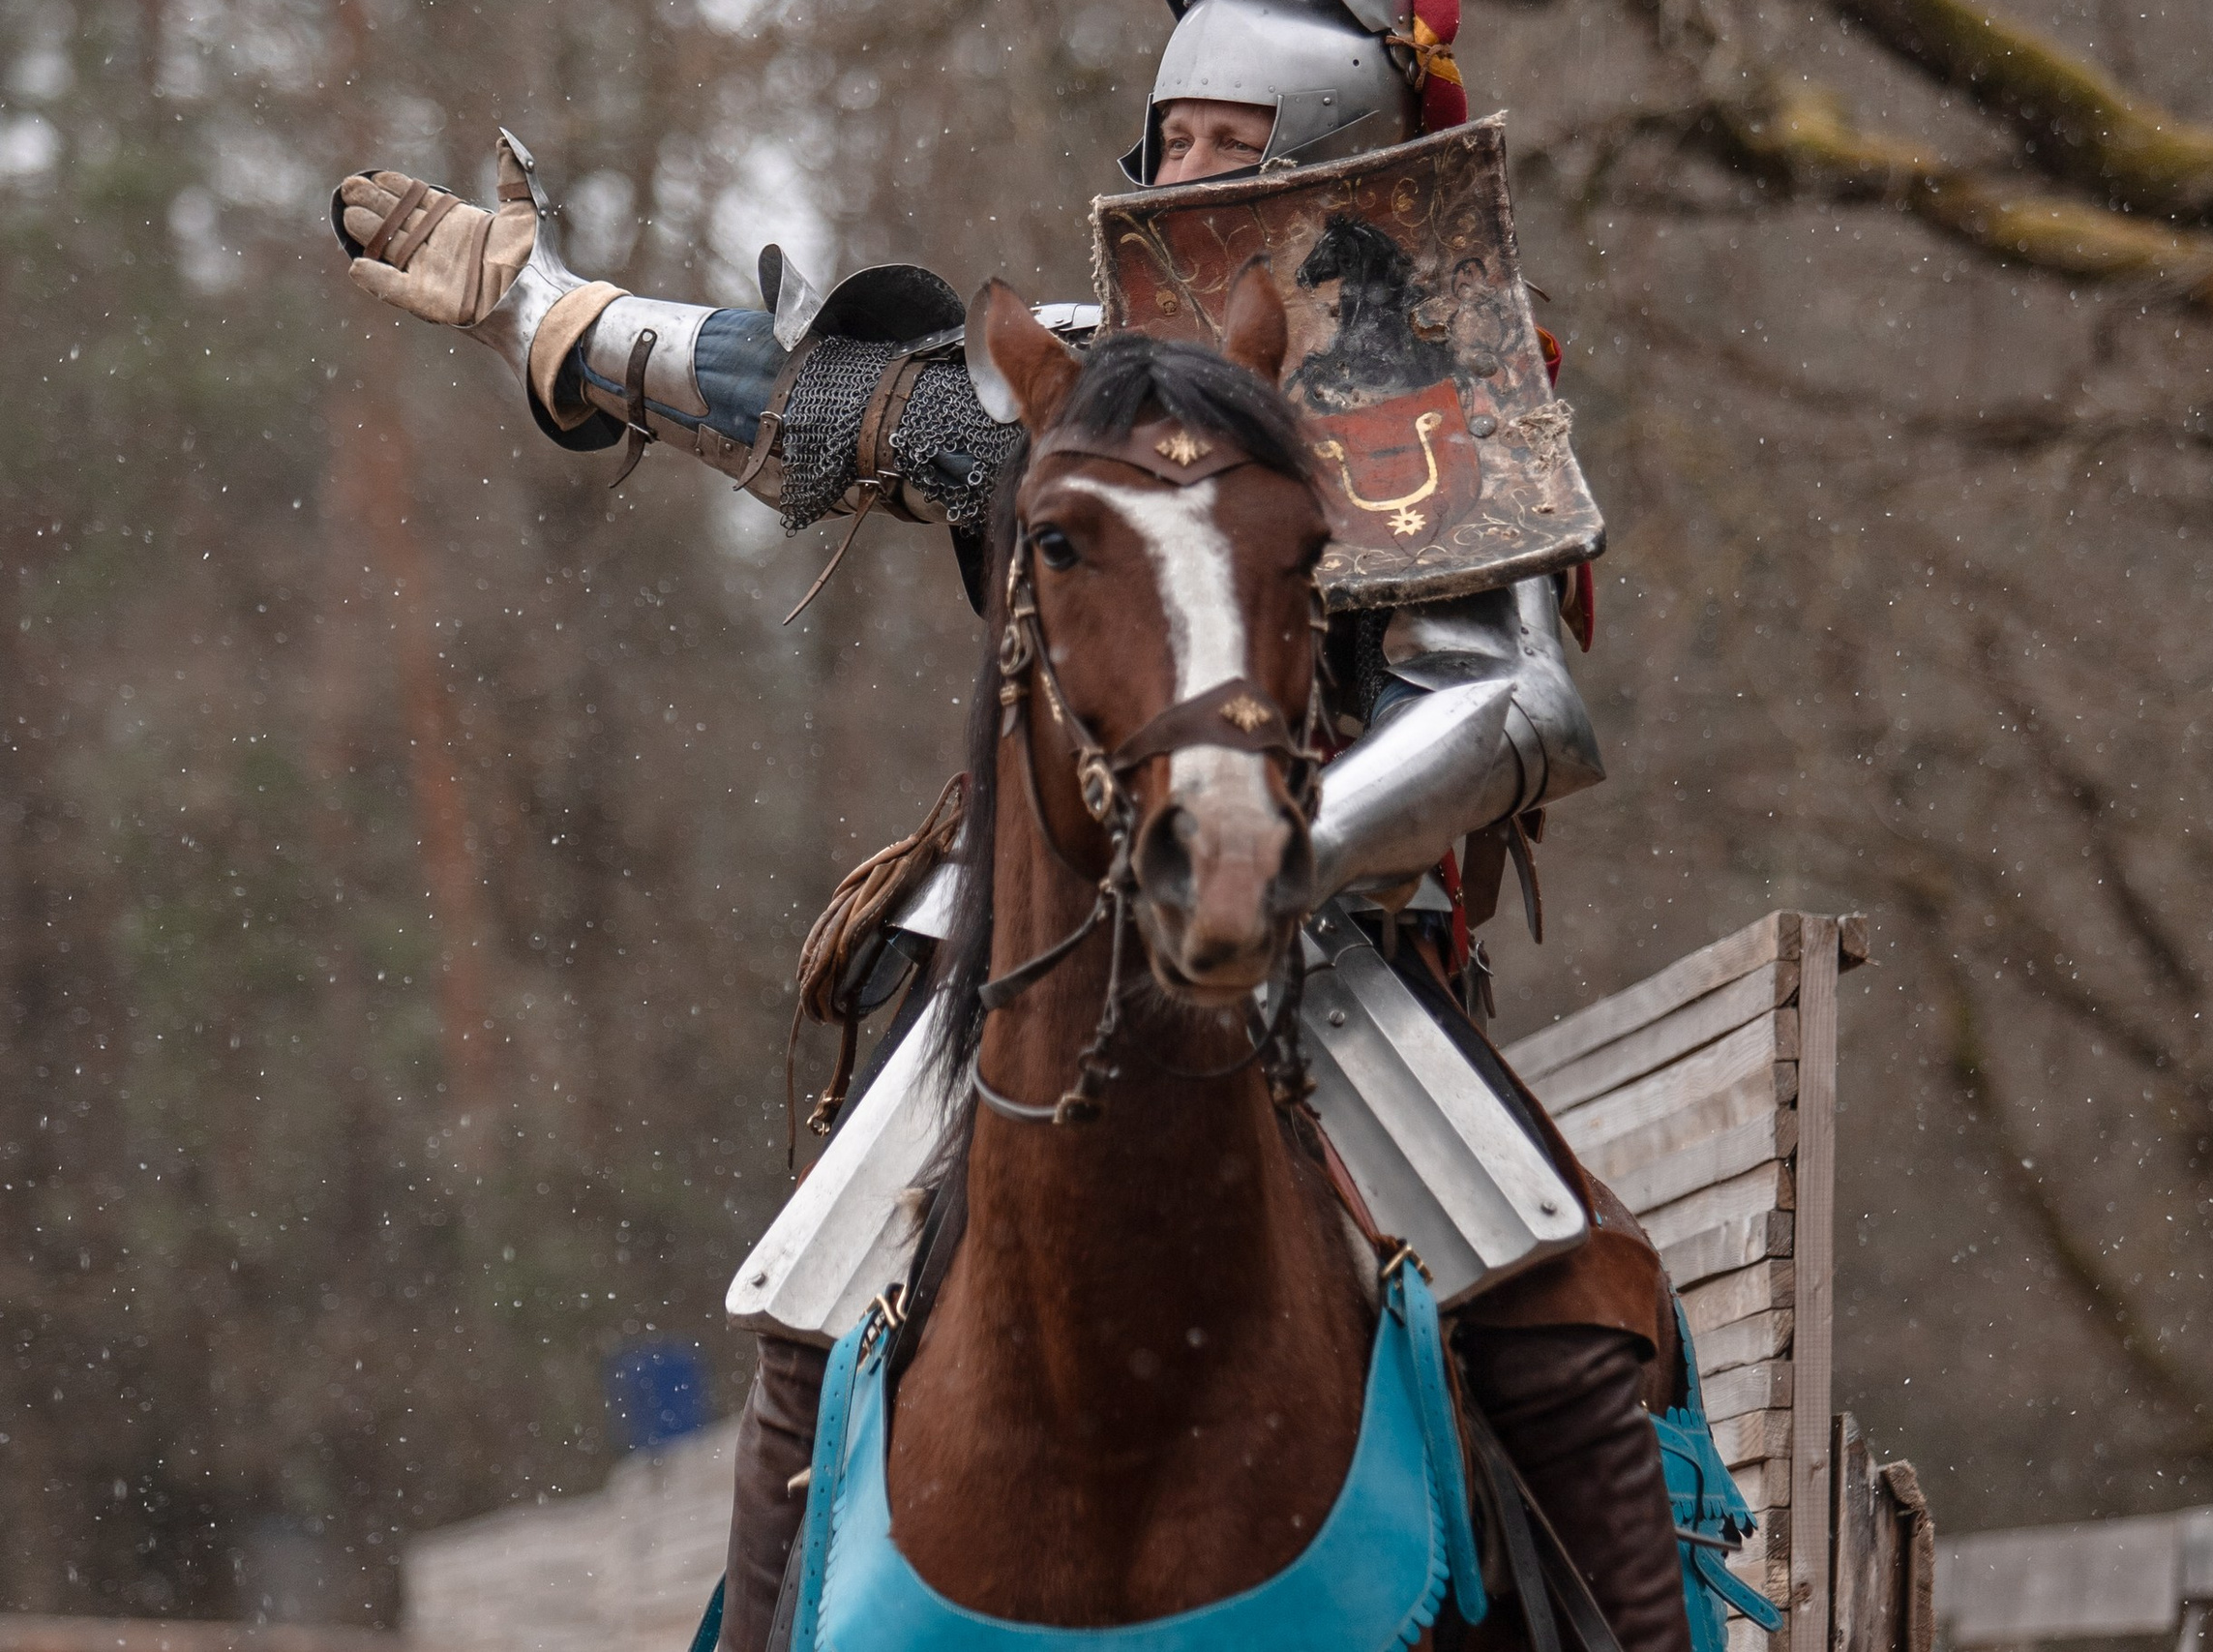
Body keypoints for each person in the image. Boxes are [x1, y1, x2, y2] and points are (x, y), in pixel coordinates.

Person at [331, 5, 1726, 1649]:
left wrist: (1290, 845)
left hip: (1337, 953)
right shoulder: (1061, 383)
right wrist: (538, 304)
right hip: (1029, 947)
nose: (1191, 169)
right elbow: (788, 394)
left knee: (1553, 1284)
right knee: (801, 1310)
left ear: (1339, 162)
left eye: (1237, 141)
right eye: (1176, 136)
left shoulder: (1437, 404)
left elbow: (1518, 705)